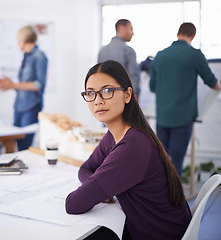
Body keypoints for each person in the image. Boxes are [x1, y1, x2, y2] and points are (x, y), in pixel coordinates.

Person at [65, 60, 191, 240]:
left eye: (107, 91)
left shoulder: (133, 146)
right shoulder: (115, 135)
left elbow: (73, 204)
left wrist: (97, 189)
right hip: (151, 227)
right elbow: (86, 168)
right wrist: (99, 187)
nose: (97, 101)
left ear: (127, 95)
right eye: (91, 93)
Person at [150, 22, 221, 177]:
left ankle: (159, 197)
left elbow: (152, 87)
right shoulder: (195, 55)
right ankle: (174, 199)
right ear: (193, 36)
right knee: (176, 161)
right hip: (182, 117)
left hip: (162, 116)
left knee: (161, 159)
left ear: (178, 34)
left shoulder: (160, 55)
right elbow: (212, 82)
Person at [0, 25, 48, 151]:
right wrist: (11, 85)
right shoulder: (26, 56)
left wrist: (13, 85)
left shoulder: (39, 56)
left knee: (24, 146)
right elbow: (24, 84)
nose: (17, 43)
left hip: (31, 107)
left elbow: (39, 84)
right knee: (17, 143)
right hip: (19, 106)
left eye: (18, 40)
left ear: (25, 39)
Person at [98, 19, 140, 99]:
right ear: (121, 28)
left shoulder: (102, 51)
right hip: (123, 97)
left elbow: (98, 76)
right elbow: (134, 77)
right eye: (130, 29)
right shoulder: (128, 51)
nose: (133, 33)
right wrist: (135, 96)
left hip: (105, 96)